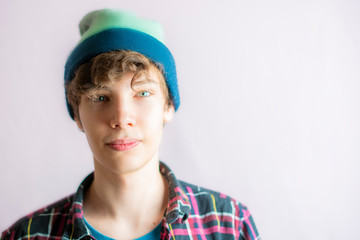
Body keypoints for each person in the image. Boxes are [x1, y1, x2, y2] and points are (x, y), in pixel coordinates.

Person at [1, 9, 260, 240]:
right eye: (100, 97)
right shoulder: (26, 236)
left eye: (143, 93)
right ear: (78, 115)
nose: (122, 118)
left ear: (168, 106)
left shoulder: (230, 225)